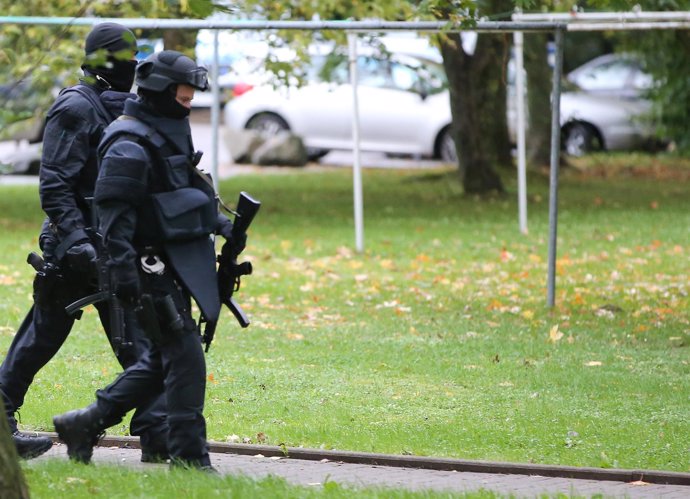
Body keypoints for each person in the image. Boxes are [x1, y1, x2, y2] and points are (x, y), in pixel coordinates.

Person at [53, 50, 245, 470]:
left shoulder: (167, 129)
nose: (191, 97)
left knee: (165, 358)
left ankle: (86, 421)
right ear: (161, 88)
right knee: (186, 357)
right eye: (184, 89)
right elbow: (114, 220)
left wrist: (220, 224)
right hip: (144, 268)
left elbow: (181, 186)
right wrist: (124, 275)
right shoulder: (129, 142)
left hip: (171, 261)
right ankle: (190, 460)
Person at [0, 23, 168, 461]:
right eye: (126, 58)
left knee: (138, 338)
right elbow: (55, 185)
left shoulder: (126, 105)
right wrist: (77, 242)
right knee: (42, 336)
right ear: (103, 61)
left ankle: (155, 431)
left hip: (114, 244)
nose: (134, 66)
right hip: (74, 249)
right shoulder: (76, 107)